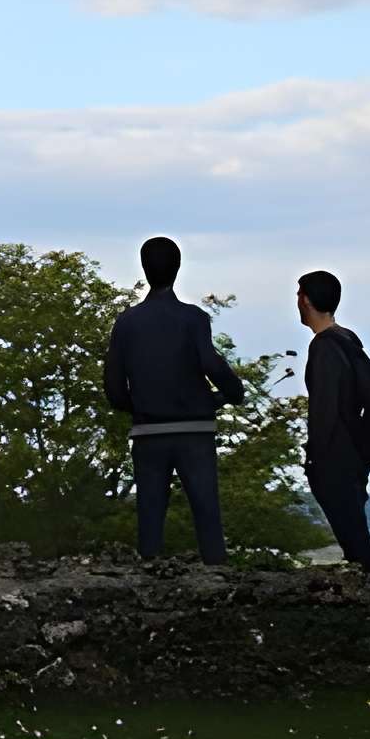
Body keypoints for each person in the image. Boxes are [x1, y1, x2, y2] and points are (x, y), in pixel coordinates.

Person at [104, 235, 246, 563]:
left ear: (143, 268)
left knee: (150, 515)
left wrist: (139, 407)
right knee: (206, 512)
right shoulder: (193, 318)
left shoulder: (126, 323)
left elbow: (113, 386)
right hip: (194, 430)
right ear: (178, 268)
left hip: (148, 433)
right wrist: (230, 394)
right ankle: (218, 582)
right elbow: (211, 363)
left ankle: (149, 580)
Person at [299, 269, 370, 573]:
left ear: (305, 301)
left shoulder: (325, 346)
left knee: (355, 543)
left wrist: (316, 457)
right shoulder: (347, 341)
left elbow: (326, 409)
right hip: (354, 454)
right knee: (355, 535)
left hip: (336, 456)